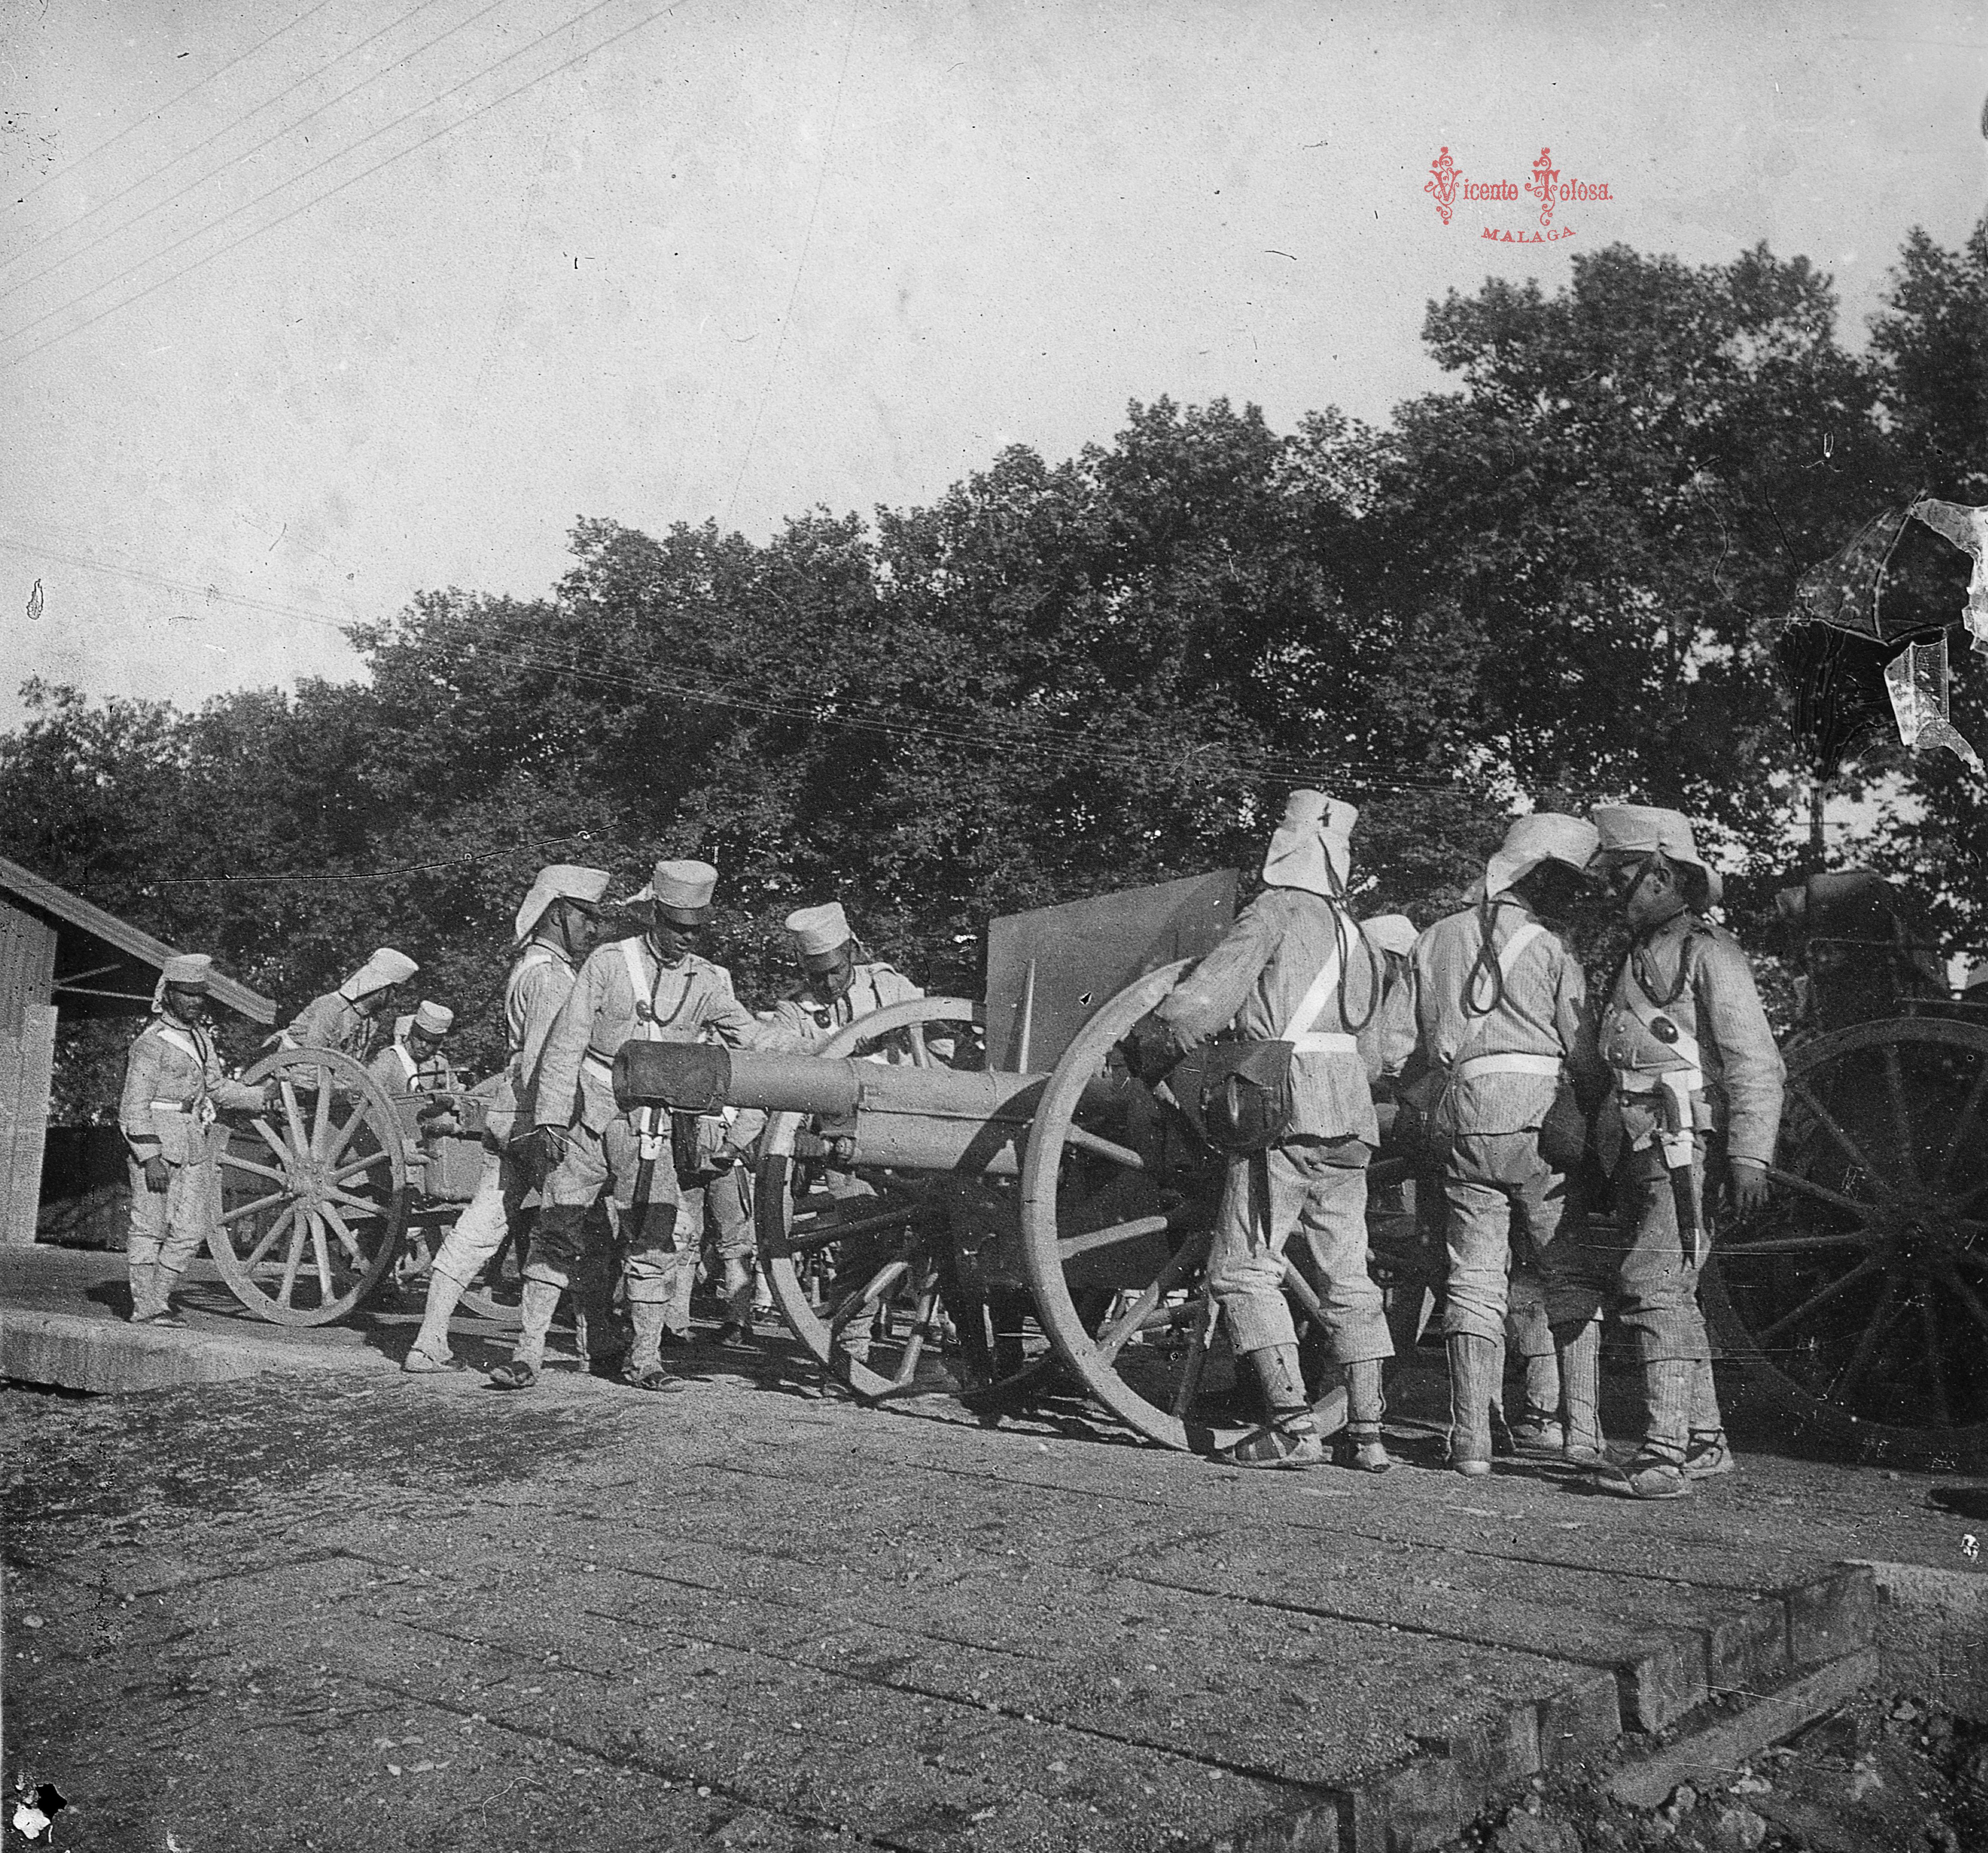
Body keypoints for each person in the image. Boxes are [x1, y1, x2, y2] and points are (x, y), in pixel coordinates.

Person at [1541, 805, 1784, 1500]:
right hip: (1639, 1142)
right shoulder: (1641, 954)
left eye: (1622, 875)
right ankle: (1705, 1441)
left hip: (1685, 1143)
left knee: (1654, 1283)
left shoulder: (1711, 952)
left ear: (1660, 874)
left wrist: (1751, 1157)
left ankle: (1663, 1456)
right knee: (1670, 1287)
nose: (1612, 888)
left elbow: (1755, 1062)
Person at [1151, 789, 1395, 1473]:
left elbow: (1198, 1008)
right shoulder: (1361, 937)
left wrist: (1150, 1049)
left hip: (1282, 1109)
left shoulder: (1275, 911)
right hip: (1351, 1121)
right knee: (1348, 1273)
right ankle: (1368, 1434)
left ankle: (1292, 1427)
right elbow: (1376, 1056)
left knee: (1242, 1268)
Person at [493, 859, 798, 1393]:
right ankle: (527, 1356)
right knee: (556, 1231)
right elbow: (566, 1044)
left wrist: (813, 1048)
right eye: (677, 926)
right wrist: (550, 1120)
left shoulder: (706, 982)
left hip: (652, 1128)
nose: (686, 938)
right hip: (588, 1118)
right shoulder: (609, 963)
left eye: (695, 930)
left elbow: (752, 1036)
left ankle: (646, 1361)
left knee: (654, 1241)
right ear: (655, 916)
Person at [1372, 815, 1608, 1476]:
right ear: (1542, 881)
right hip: (1542, 1126)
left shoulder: (1434, 939)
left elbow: (1392, 1051)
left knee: (1473, 1278)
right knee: (1566, 1271)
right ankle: (1582, 1437)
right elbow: (1584, 1056)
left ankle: (1471, 1441)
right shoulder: (1554, 950)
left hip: (1464, 1121)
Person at [403, 864, 610, 1375]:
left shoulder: (530, 966)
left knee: (481, 1225)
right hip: (541, 1119)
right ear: (557, 914)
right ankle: (596, 1345)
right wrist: (557, 1123)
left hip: (509, 1113)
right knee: (583, 1226)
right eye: (585, 916)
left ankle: (428, 1341)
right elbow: (547, 1058)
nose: (593, 928)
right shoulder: (551, 978)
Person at [765, 901, 928, 1367]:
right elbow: (775, 1046)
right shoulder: (795, 1008)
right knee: (863, 1247)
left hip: (914, 1129)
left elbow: (935, 1033)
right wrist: (832, 1048)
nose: (827, 984)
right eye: (816, 976)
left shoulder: (889, 986)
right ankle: (849, 1358)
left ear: (852, 953)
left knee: (944, 1239)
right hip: (847, 1140)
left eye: (835, 972)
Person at [118, 955, 272, 1325]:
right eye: (186, 994)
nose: (194, 1002)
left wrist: (265, 1097)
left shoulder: (201, 1039)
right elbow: (133, 1107)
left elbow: (217, 1088)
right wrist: (150, 1157)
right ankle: (146, 1306)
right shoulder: (150, 1044)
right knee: (150, 1227)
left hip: (193, 1142)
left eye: (200, 995)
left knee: (191, 1230)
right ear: (168, 995)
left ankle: (159, 1301)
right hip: (157, 1144)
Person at [278, 947, 419, 1062]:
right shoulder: (331, 1007)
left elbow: (350, 1067)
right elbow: (309, 1061)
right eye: (396, 991)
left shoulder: (369, 1021)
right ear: (382, 991)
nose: (396, 998)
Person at [366, 1000, 458, 1098]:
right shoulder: (390, 1059)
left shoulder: (440, 1063)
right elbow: (367, 1093)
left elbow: (457, 1095)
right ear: (411, 1035)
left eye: (431, 1042)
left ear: (438, 1044)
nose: (424, 1045)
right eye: (420, 1038)